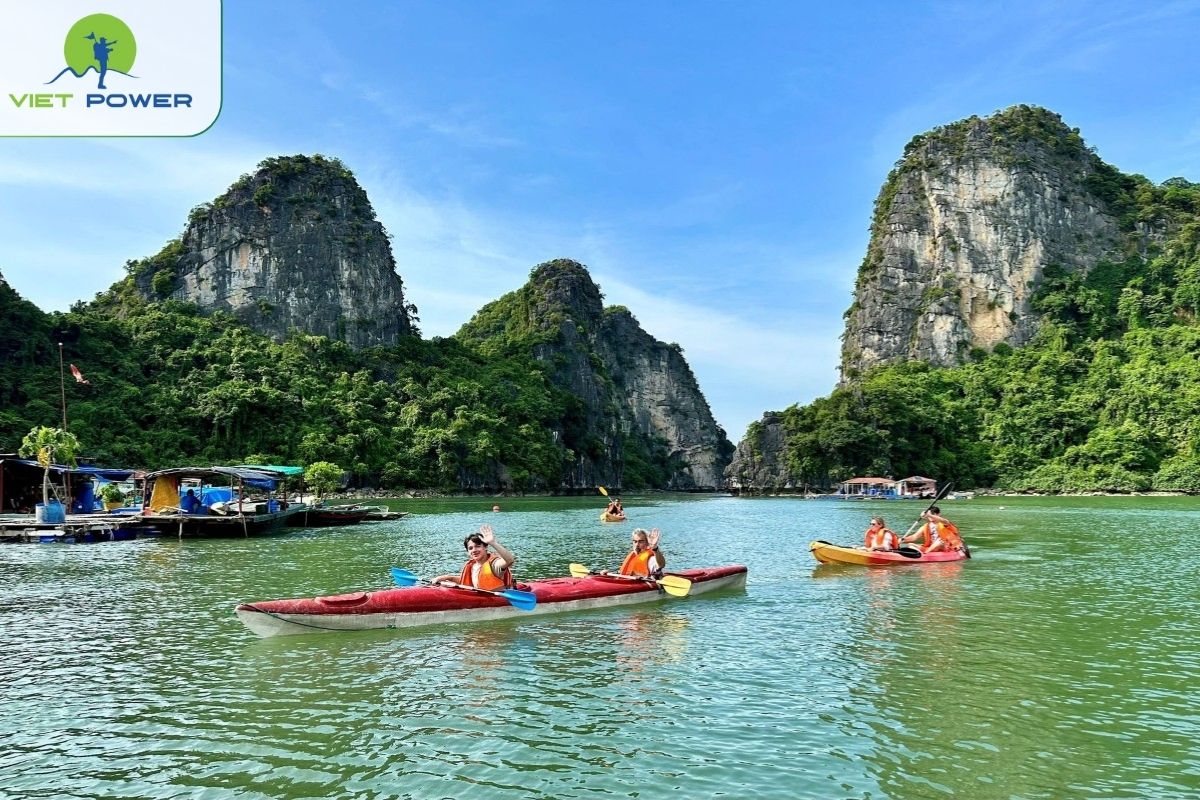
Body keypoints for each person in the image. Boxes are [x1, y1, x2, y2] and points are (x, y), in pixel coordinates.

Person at [432, 524, 516, 590]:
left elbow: (509, 560)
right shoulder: (472, 566)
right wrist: (448, 577)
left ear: (485, 547)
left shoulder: (494, 564)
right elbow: (468, 580)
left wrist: (493, 543)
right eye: (470, 548)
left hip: (497, 599)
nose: (474, 550)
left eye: (478, 546)